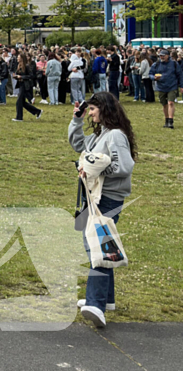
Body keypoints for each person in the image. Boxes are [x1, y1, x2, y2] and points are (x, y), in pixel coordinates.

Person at [70, 92, 136, 328]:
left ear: (104, 109)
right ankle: (107, 299)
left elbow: (124, 166)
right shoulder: (102, 134)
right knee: (100, 244)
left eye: (92, 109)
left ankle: (96, 305)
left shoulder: (115, 135)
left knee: (97, 247)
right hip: (95, 197)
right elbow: (78, 144)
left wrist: (94, 170)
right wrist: (76, 120)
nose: (89, 113)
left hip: (107, 198)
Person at [150, 48, 181, 128]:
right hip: (161, 86)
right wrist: (154, 78)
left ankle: (170, 121)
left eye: (163, 55)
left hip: (172, 86)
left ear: (168, 56)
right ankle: (166, 120)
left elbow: (180, 75)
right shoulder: (156, 64)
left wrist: (181, 86)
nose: (162, 57)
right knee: (164, 104)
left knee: (170, 102)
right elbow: (150, 73)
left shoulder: (174, 64)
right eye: (160, 56)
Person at [11, 53, 43, 122]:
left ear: (22, 58)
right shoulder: (19, 66)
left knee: (19, 102)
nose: (17, 58)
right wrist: (16, 77)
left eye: (18, 57)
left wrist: (22, 77)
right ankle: (37, 111)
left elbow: (31, 76)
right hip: (21, 84)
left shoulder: (27, 66)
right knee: (22, 102)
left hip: (25, 86)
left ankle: (19, 117)